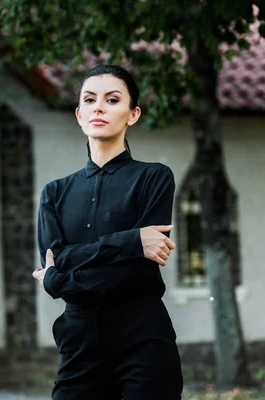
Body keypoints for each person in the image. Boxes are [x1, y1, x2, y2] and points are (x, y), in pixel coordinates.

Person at [32, 64, 183, 400]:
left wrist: (58, 282)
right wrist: (131, 241)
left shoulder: (154, 178)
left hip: (143, 342)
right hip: (79, 345)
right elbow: (56, 257)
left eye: (112, 99)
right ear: (79, 115)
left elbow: (134, 273)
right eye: (89, 100)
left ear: (133, 114)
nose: (98, 107)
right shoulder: (54, 193)